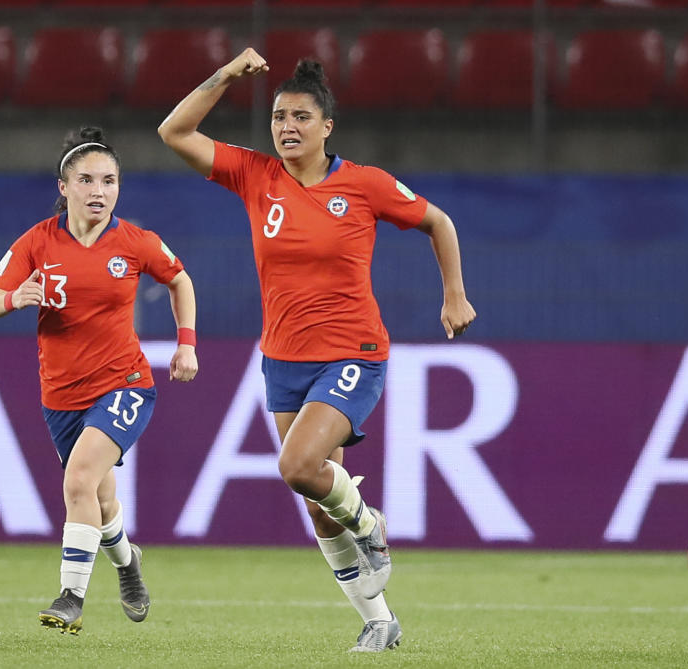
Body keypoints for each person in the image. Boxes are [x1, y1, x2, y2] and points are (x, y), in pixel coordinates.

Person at [158, 50, 476, 652]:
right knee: (316, 503)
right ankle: (379, 621)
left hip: (354, 352)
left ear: (327, 126)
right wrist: (226, 75)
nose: (287, 127)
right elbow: (174, 132)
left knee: (298, 467)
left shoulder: (364, 184)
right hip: (282, 359)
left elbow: (439, 222)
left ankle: (371, 524)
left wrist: (454, 294)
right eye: (279, 116)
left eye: (301, 116)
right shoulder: (255, 175)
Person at [0, 126, 199, 634]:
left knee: (77, 480)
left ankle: (71, 596)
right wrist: (17, 297)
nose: (99, 191)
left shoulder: (135, 242)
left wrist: (186, 342)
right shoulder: (36, 241)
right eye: (86, 180)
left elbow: (179, 279)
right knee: (100, 500)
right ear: (64, 187)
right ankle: (128, 564)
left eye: (109, 181)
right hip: (60, 395)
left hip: (124, 383)